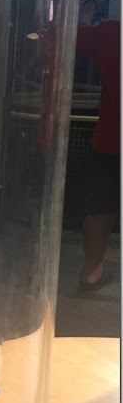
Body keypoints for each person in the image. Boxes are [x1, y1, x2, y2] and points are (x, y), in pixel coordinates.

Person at [75, 15, 120, 291]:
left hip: (110, 141)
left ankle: (91, 274)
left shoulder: (111, 32)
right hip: (109, 141)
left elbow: (66, 35)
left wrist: (85, 10)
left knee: (100, 210)